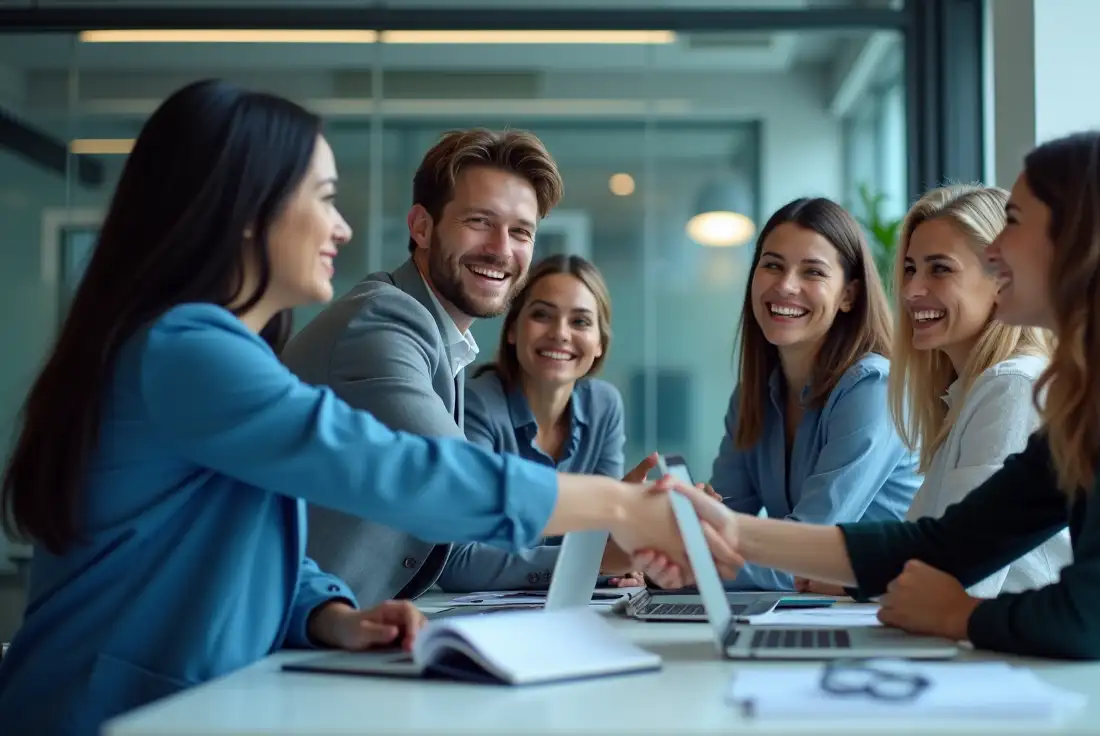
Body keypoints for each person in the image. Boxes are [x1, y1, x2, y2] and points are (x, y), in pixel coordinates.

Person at [0, 80, 739, 736]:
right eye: (324, 197)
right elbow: (407, 471)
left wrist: (330, 614)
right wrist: (619, 506)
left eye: (521, 232)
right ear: (247, 209)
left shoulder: (219, 354)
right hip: (99, 714)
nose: (344, 227)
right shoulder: (187, 352)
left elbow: (250, 533)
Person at [637, 126, 1100, 733]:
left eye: (1013, 221)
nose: (994, 247)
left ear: (1080, 238)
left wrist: (957, 614)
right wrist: (721, 529)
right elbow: (949, 542)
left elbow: (1094, 616)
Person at [280, 127, 567, 607]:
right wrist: (624, 514)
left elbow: (449, 541)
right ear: (421, 227)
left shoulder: (440, 337)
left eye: (521, 231)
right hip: (286, 635)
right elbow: (467, 482)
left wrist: (605, 554)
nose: (502, 249)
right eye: (480, 221)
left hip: (339, 624)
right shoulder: (383, 320)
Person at [796, 184, 1069, 598]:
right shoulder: (971, 393)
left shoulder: (1011, 388)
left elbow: (960, 580)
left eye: (940, 269)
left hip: (1015, 655)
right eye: (909, 269)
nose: (910, 291)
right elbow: (933, 559)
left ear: (1002, 277)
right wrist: (854, 584)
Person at [706, 197, 922, 591]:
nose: (786, 286)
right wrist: (687, 533)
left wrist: (683, 562)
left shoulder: (873, 389)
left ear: (849, 296)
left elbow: (806, 556)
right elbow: (726, 519)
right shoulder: (752, 394)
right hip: (816, 612)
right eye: (772, 265)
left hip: (886, 619)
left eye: (813, 272)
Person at [439, 254, 655, 592]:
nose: (560, 334)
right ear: (512, 330)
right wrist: (598, 561)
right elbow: (459, 562)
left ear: (600, 343)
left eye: (581, 322)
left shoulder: (604, 406)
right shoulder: (476, 406)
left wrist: (636, 526)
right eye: (542, 315)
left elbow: (600, 538)